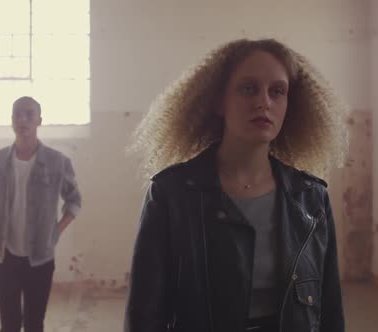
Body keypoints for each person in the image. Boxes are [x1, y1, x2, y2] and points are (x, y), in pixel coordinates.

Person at [124, 39, 347, 332]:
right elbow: (144, 315)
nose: (264, 102)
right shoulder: (171, 193)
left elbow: (329, 310)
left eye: (277, 92)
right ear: (219, 101)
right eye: (248, 88)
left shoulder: (312, 199)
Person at [0, 96, 82, 332]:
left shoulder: (57, 162)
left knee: (34, 323)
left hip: (39, 257)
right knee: (8, 324)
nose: (23, 119)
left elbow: (74, 200)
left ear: (40, 120)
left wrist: (55, 232)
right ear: (11, 121)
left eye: (29, 114)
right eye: (17, 114)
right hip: (4, 256)